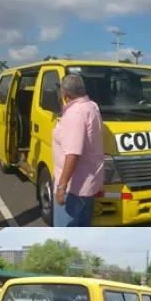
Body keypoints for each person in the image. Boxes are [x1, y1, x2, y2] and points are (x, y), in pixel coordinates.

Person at [52, 74, 104, 227]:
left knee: (65, 232)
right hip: (87, 185)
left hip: (73, 188)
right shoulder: (92, 106)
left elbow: (73, 154)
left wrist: (61, 187)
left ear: (65, 93)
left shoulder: (74, 113)